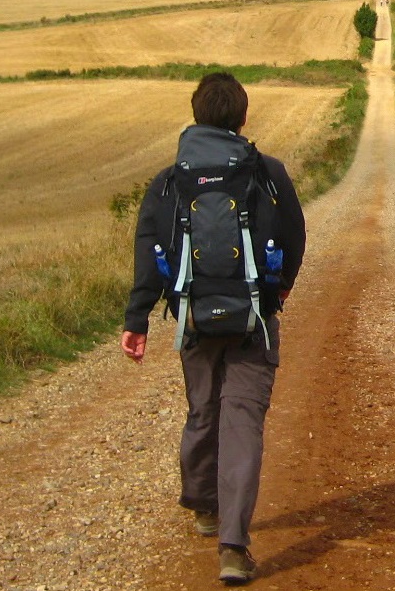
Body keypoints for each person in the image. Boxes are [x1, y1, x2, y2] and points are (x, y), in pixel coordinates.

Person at [121, 72, 306, 585]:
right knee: (242, 421)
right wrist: (279, 289)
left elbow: (149, 249)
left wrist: (138, 318)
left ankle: (204, 506)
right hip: (253, 319)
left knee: (203, 410)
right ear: (242, 117)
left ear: (196, 116)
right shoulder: (266, 171)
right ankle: (233, 546)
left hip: (195, 319)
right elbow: (294, 233)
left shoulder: (169, 181)